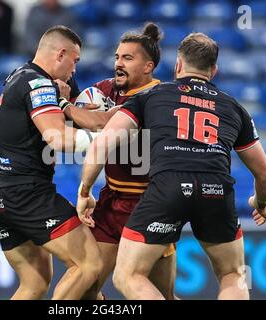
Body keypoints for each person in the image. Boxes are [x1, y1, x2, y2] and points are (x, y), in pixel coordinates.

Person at [77, 32, 266, 299]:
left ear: (178, 64)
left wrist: (85, 189)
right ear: (213, 70)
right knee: (232, 274)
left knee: (128, 275)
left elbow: (103, 144)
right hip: (215, 188)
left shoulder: (151, 96)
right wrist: (260, 203)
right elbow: (265, 174)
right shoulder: (234, 108)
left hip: (168, 188)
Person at [0, 25, 102, 300]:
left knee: (34, 284)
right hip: (27, 194)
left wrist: (64, 103)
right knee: (88, 263)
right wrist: (102, 139)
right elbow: (57, 138)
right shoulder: (38, 83)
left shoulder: (19, 75)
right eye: (75, 60)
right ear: (61, 54)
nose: (75, 69)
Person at [61, 22, 177, 300]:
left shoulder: (159, 98)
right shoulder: (106, 89)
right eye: (116, 57)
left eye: (127, 58)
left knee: (162, 295)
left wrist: (66, 106)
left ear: (148, 67)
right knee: (87, 289)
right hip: (112, 200)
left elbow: (100, 120)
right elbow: (83, 109)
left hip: (150, 204)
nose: (118, 64)